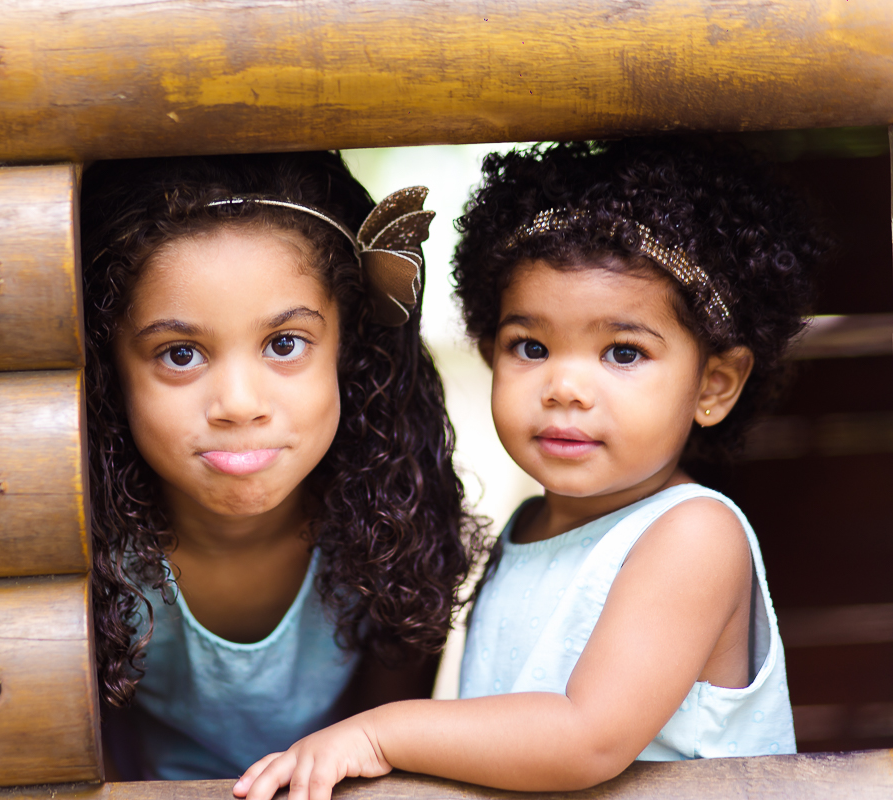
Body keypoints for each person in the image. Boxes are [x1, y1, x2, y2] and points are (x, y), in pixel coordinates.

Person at [234, 138, 830, 799]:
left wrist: (378, 733)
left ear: (714, 385)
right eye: (532, 346)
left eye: (624, 352)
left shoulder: (693, 536)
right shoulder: (527, 527)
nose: (565, 386)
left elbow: (585, 737)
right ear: (491, 352)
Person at [80, 151, 479, 781]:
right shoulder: (93, 550)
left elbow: (388, 746)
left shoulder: (392, 528)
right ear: (110, 371)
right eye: (180, 354)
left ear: (349, 354)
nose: (239, 404)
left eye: (285, 344)